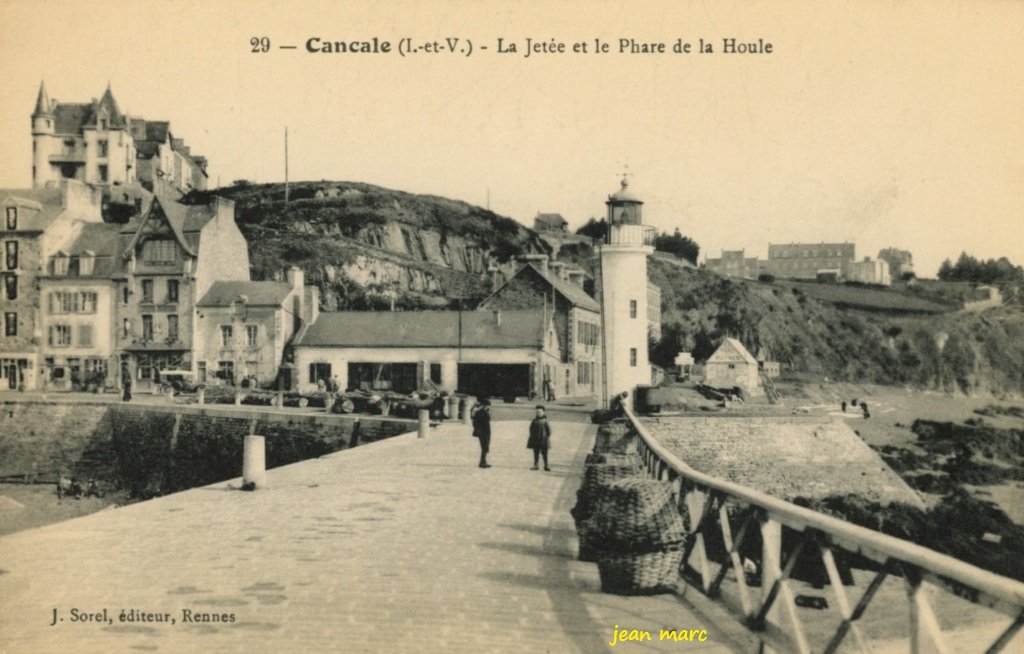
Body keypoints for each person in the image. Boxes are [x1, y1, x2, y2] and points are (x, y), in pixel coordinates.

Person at [527, 405, 552, 471]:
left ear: (543, 412)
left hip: (544, 440)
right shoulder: (534, 421)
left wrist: (546, 436)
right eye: (537, 412)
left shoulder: (545, 421)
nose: (538, 413)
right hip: (536, 440)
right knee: (536, 453)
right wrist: (533, 436)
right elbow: (531, 429)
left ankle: (546, 465)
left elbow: (549, 430)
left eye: (540, 412)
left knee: (545, 453)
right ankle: (536, 465)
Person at [471, 397, 492, 468]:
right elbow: (475, 423)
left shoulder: (484, 412)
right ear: (484, 406)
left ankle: (483, 461)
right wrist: (479, 430)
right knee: (484, 447)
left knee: (485, 447)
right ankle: (482, 462)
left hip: (486, 432)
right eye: (487, 406)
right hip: (483, 432)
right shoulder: (480, 413)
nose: (488, 407)